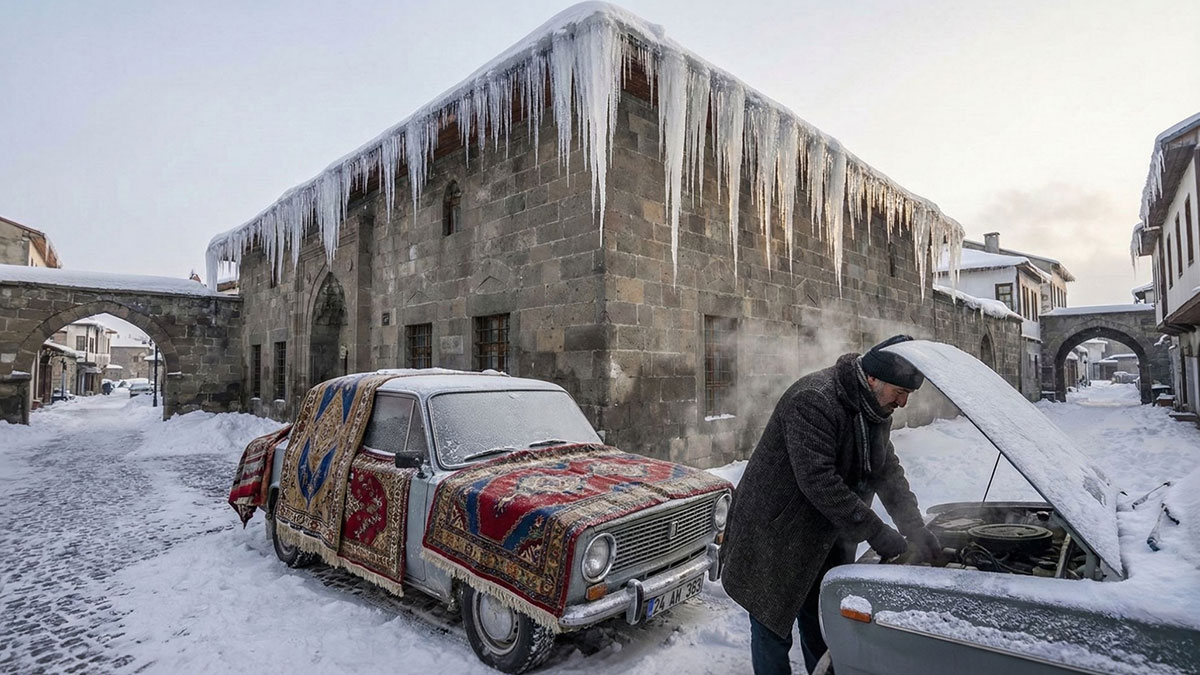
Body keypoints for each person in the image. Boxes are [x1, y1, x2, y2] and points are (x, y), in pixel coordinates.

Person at [720, 335, 942, 675]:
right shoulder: (814, 399)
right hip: (775, 532)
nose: (903, 402)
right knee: (772, 629)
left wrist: (915, 528)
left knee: (821, 622)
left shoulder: (874, 409)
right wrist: (876, 532)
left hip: (824, 533)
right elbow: (819, 482)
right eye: (900, 392)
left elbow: (888, 473)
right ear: (872, 378)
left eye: (908, 394)